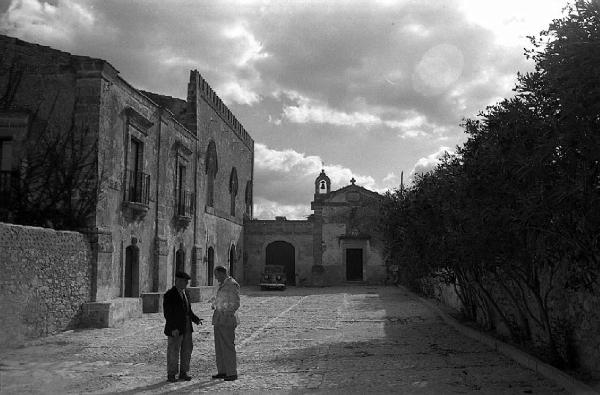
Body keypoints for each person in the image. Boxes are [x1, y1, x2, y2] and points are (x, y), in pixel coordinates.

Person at [163, 271, 203, 383]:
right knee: (173, 351)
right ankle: (171, 374)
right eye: (184, 282)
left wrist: (196, 319)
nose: (186, 284)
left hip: (187, 326)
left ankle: (183, 372)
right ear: (178, 281)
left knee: (187, 350)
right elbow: (168, 314)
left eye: (186, 282)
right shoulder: (169, 295)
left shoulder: (186, 293)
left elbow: (188, 310)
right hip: (175, 327)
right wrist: (173, 328)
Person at [211, 265, 240, 381]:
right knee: (219, 347)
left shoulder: (232, 284)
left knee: (228, 346)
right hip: (219, 319)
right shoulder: (222, 285)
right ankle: (223, 371)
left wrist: (225, 311)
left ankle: (232, 372)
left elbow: (236, 303)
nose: (216, 278)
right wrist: (215, 303)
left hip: (227, 320)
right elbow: (223, 299)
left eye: (216, 275)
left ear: (222, 273)